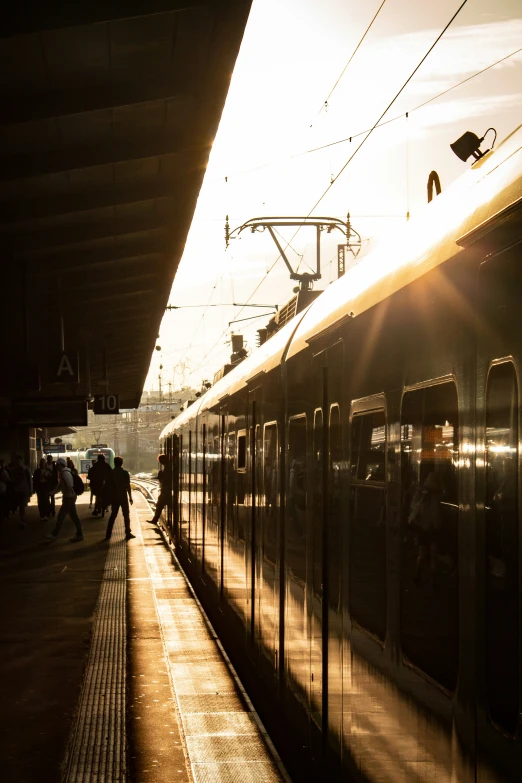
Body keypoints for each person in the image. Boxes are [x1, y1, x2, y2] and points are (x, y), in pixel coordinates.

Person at [45, 458, 84, 543]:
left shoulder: (64, 473)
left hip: (68, 498)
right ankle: (79, 534)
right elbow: (60, 486)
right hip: (70, 497)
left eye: (57, 464)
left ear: (60, 465)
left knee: (61, 516)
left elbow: (69, 485)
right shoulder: (65, 473)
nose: (56, 466)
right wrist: (52, 493)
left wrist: (69, 492)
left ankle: (54, 534)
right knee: (74, 516)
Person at [105, 456, 135, 541]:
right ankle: (128, 533)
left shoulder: (111, 473)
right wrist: (130, 497)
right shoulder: (125, 473)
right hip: (123, 497)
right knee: (126, 515)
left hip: (114, 497)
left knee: (113, 515)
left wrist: (108, 497)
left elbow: (108, 486)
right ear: (122, 463)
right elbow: (128, 486)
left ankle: (108, 534)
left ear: (114, 463)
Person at [147, 454, 172, 525]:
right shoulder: (168, 467)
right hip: (166, 490)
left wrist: (160, 476)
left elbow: (165, 480)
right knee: (161, 505)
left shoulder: (167, 469)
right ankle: (155, 520)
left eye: (160, 460)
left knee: (159, 505)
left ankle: (155, 520)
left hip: (166, 490)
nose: (160, 462)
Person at [10, 455, 32, 526]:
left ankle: (22, 519)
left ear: (21, 461)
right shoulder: (14, 470)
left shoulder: (26, 469)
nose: (18, 462)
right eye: (17, 461)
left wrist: (30, 490)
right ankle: (22, 518)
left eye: (19, 461)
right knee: (20, 505)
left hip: (24, 490)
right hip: (17, 490)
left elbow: (29, 480)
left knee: (22, 505)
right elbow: (12, 480)